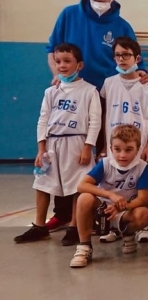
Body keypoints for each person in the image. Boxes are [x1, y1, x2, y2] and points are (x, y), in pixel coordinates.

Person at [45, 0, 148, 234]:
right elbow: (51, 51)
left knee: (104, 157)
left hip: (106, 98)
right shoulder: (69, 15)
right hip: (75, 95)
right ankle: (64, 212)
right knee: (69, 155)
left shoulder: (122, 25)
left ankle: (102, 212)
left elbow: (138, 61)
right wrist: (58, 75)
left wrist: (145, 77)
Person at [14, 43, 101, 246]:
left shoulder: (89, 91)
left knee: (76, 186)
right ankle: (39, 226)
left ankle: (74, 226)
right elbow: (43, 119)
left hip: (76, 142)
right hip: (52, 144)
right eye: (58, 61)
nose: (62, 65)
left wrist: (88, 146)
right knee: (42, 184)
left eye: (67, 61)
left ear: (79, 65)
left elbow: (95, 121)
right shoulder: (50, 91)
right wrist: (41, 148)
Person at [69, 124, 148, 268]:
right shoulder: (105, 164)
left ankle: (127, 233)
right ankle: (84, 246)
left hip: (124, 211)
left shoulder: (141, 167)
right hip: (102, 210)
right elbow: (82, 185)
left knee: (143, 214)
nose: (122, 155)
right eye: (117, 149)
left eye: (128, 150)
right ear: (110, 148)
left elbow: (143, 199)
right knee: (84, 198)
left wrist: (123, 206)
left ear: (138, 149)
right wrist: (110, 195)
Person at [99, 36, 148, 243]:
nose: (121, 59)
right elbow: (103, 114)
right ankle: (115, 225)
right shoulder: (108, 83)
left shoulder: (146, 85)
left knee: (141, 187)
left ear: (137, 58)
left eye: (126, 55)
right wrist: (104, 147)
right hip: (115, 146)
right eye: (117, 55)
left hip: (138, 145)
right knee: (113, 185)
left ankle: (144, 225)